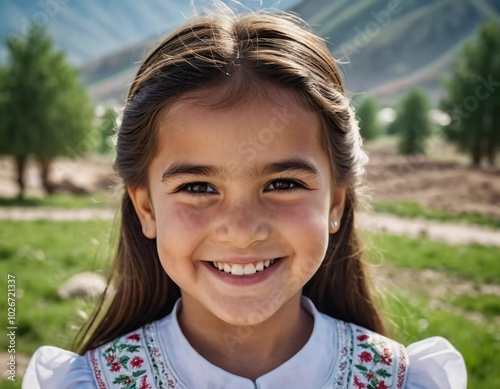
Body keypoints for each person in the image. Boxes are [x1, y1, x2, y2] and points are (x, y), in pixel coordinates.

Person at [23, 8, 467, 389]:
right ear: (146, 208)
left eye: (282, 184)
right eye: (197, 188)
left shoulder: (401, 379)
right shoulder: (90, 382)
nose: (241, 230)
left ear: (335, 203)